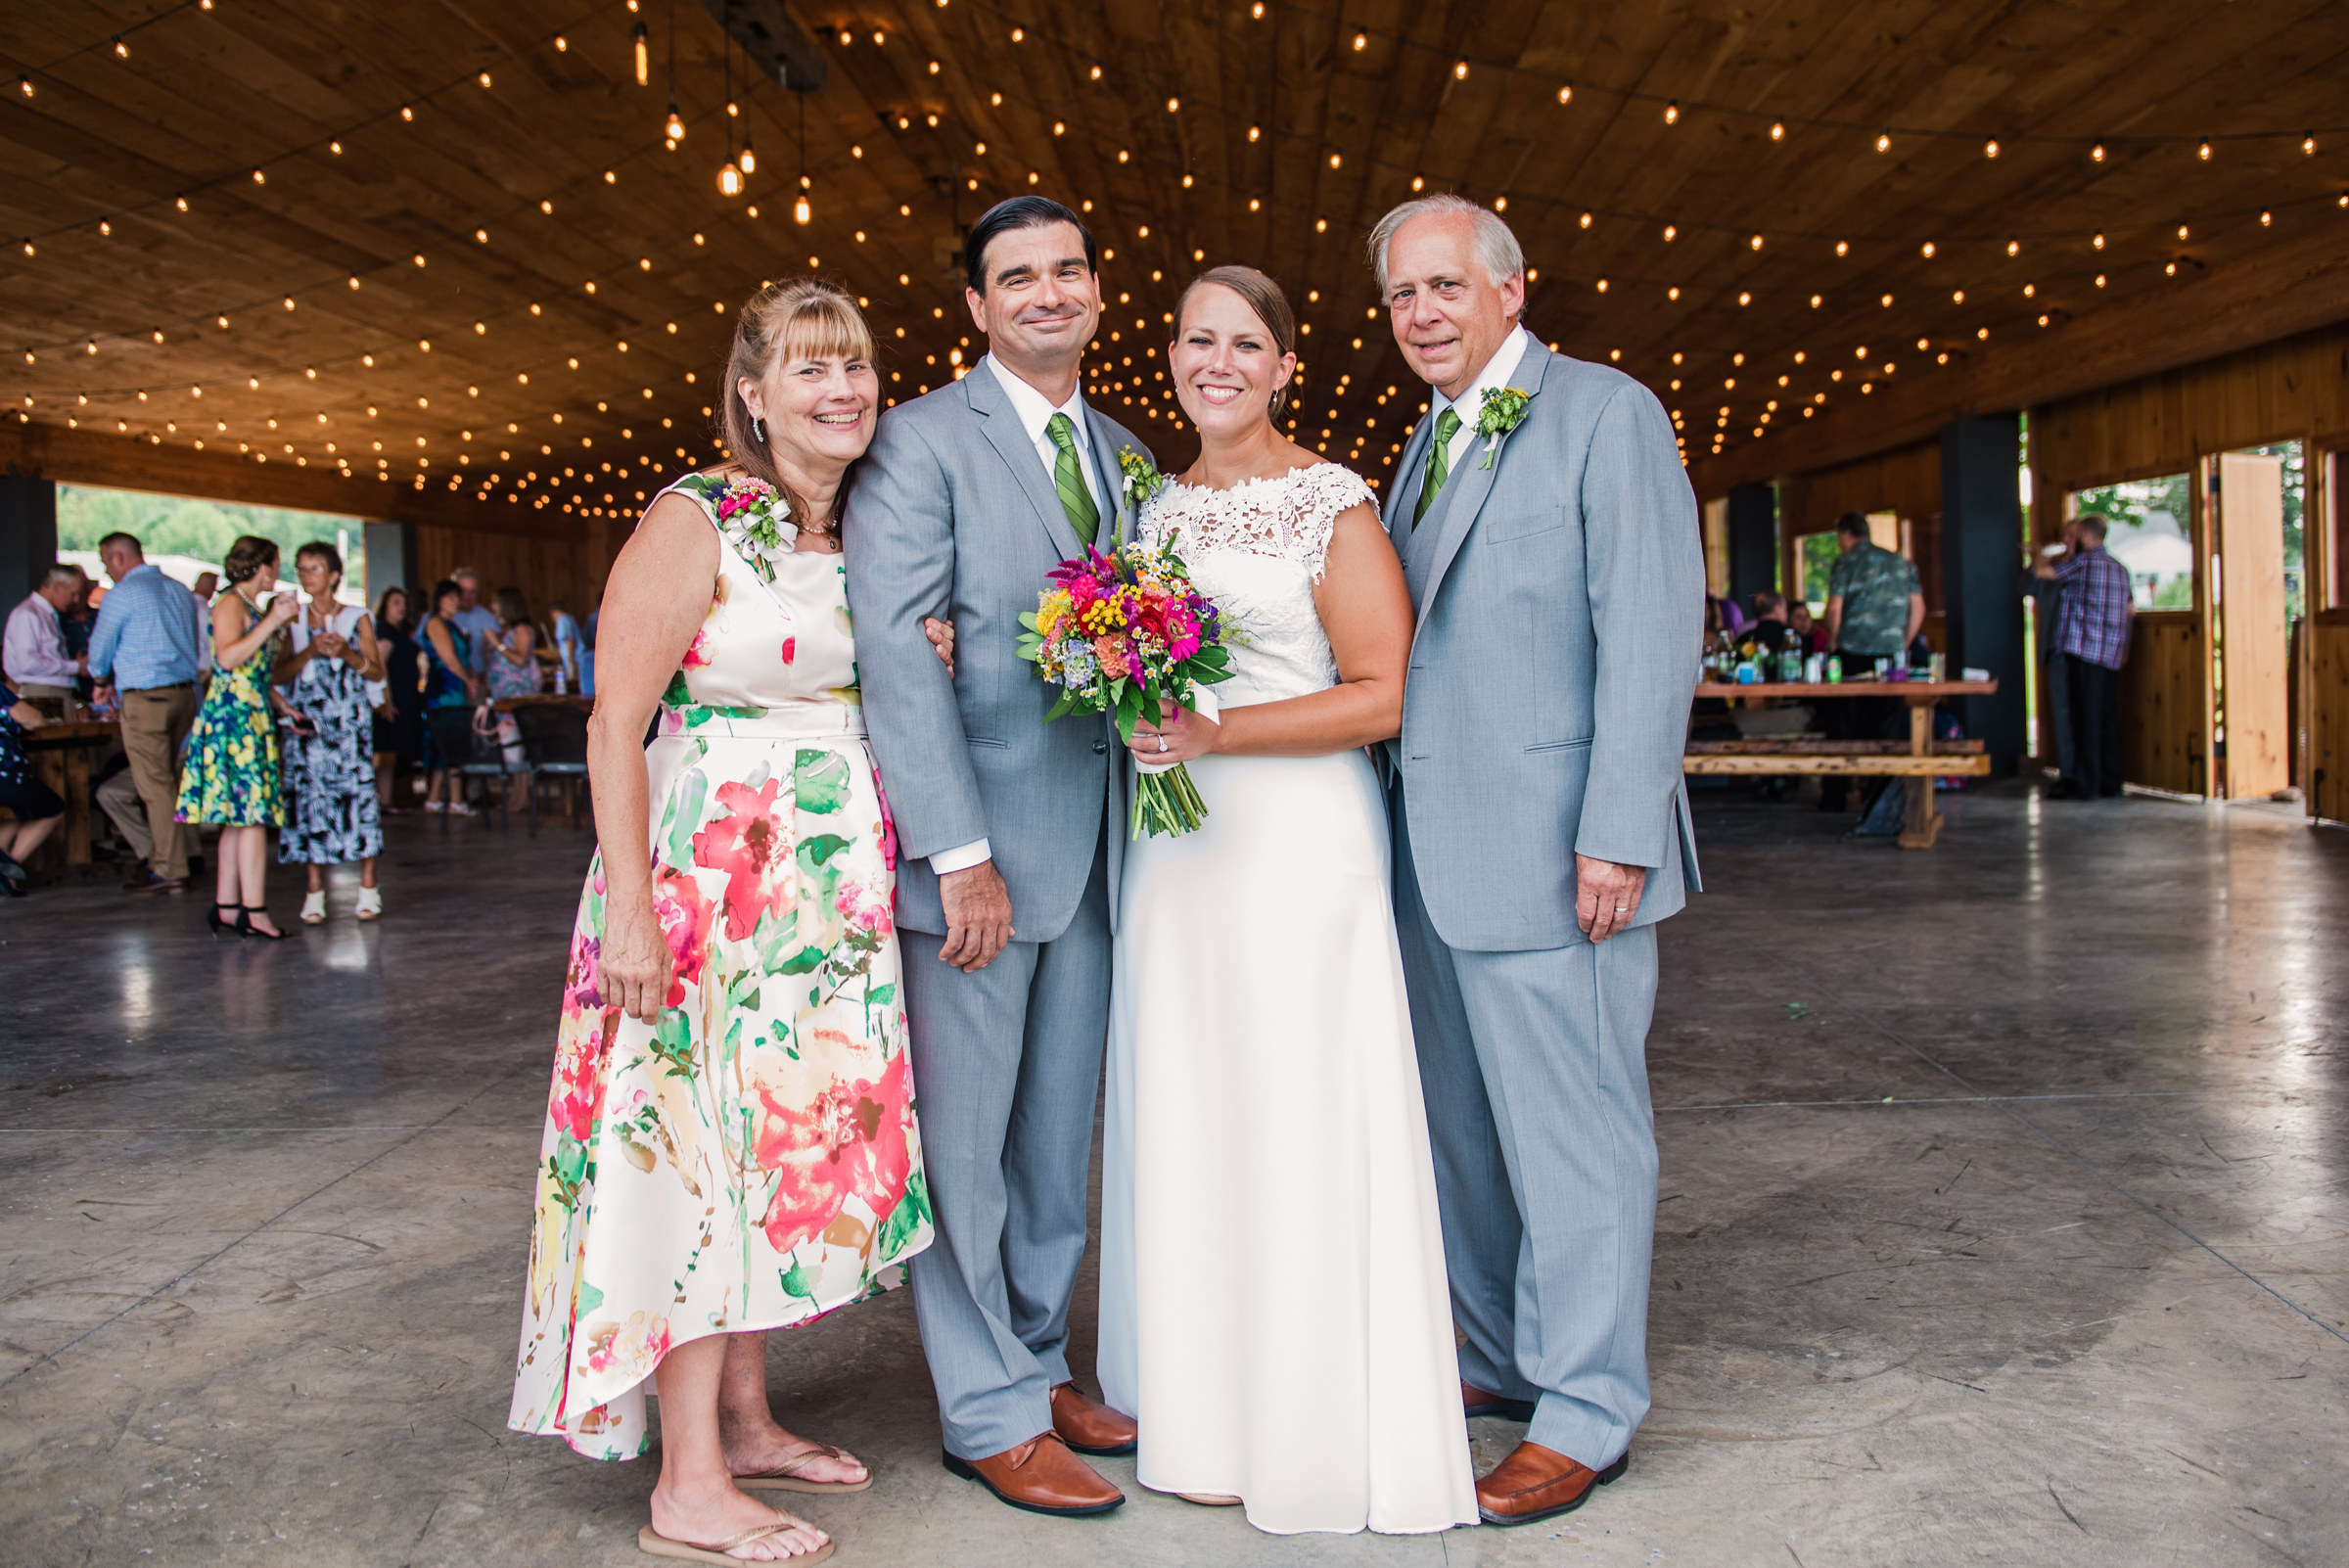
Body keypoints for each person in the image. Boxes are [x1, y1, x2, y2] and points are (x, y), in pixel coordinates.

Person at [508, 278, 930, 1566]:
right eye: (807, 369)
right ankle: (685, 1480)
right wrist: (630, 910)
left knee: (774, 1154)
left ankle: (743, 1416)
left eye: (853, 364)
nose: (840, 388)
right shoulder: (701, 518)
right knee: (689, 1156)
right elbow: (612, 723)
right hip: (700, 896)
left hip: (822, 907)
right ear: (752, 393)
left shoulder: (865, 525)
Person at [1085, 266, 1475, 1535]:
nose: (1218, 360)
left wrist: (1216, 727)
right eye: (1198, 338)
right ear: (1175, 357)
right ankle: (1201, 1410)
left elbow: (1386, 691)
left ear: (1283, 363)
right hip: (1177, 855)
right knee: (1193, 1105)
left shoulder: (1331, 502)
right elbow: (1138, 674)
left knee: (1299, 1107)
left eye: (1245, 341)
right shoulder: (1152, 507)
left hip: (1300, 846)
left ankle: (1310, 1419)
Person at [1375, 194, 1703, 1528]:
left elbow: (1653, 630)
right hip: (1435, 858)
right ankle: (1505, 1357)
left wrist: (1618, 831)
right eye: (1402, 296)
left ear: (1512, 290)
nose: (1422, 316)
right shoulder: (1430, 436)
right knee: (1470, 1138)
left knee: (1578, 1142)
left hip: (1566, 856)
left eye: (1446, 287)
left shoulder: (1604, 412)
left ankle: (1587, 1406)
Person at [845, 195, 1145, 1519]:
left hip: (1102, 854)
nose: (1045, 294)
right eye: (1015, 277)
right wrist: (956, 853)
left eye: (1066, 271)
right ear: (975, 306)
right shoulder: (917, 445)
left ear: (1094, 292)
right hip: (979, 864)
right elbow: (901, 659)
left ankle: (1038, 1359)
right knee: (965, 1146)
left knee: (1052, 1134)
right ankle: (983, 1411)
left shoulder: (1129, 453)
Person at [176, 535, 300, 939]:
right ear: (263, 567)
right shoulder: (231, 603)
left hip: (252, 714)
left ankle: (228, 906)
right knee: (251, 817)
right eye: (276, 564)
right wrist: (274, 621)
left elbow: (253, 672)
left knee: (237, 818)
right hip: (234, 720)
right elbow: (227, 659)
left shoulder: (248, 606)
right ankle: (254, 910)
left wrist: (281, 704)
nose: (278, 573)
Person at [86, 531, 206, 894]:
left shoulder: (122, 595)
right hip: (185, 695)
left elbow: (99, 652)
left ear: (119, 557)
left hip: (146, 698)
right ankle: (189, 854)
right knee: (174, 777)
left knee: (154, 786)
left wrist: (100, 677)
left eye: (107, 562)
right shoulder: (179, 590)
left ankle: (169, 868)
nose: (108, 570)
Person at [274, 542, 385, 922]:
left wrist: (346, 654)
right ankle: (314, 890)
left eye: (315, 568)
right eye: (301, 569)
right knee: (310, 801)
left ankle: (368, 885)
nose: (306, 576)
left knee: (358, 796)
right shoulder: (293, 618)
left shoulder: (357, 617)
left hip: (349, 720)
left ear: (335, 575)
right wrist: (309, 653)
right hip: (309, 721)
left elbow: (376, 672)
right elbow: (276, 675)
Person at [1819, 512, 1923, 811]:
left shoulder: (1846, 562)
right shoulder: (1900, 563)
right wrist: (1902, 643)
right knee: (1886, 728)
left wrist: (1834, 640)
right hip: (1890, 657)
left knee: (1841, 726)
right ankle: (1880, 801)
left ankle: (1834, 797)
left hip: (1851, 652)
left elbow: (1835, 607)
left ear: (1846, 533)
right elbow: (1919, 607)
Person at [2036, 513, 2132, 799]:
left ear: (2086, 537)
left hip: (2085, 652)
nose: (2071, 541)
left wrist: (2037, 553)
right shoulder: (2120, 568)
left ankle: (2085, 785)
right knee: (2105, 718)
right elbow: (2129, 611)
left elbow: (2043, 574)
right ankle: (2111, 782)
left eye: (2075, 536)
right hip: (2112, 654)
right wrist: (2125, 648)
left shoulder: (2084, 563)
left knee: (2084, 719)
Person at [417, 579, 482, 815]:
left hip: (454, 689)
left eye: (458, 597)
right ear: (440, 600)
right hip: (445, 690)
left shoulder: (452, 624)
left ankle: (437, 797)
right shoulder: (435, 622)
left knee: (446, 740)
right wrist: (470, 680)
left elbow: (463, 658)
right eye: (451, 598)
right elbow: (450, 659)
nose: (457, 602)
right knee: (450, 740)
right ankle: (453, 799)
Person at [0, 681, 63, 895]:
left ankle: (5, 868)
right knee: (53, 809)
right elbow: (34, 719)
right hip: (6, 776)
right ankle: (9, 869)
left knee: (22, 819)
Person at [372, 586, 426, 811]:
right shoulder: (384, 631)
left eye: (404, 603)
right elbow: (380, 664)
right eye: (395, 602)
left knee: (392, 752)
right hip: (393, 697)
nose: (401, 607)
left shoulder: (400, 632)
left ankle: (386, 799)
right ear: (384, 605)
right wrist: (386, 699)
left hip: (406, 695)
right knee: (384, 750)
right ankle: (376, 799)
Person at [4, 563, 87, 704]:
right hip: (42, 693)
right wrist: (75, 666)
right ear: (57, 587)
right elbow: (27, 663)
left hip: (54, 692)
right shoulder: (27, 614)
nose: (76, 600)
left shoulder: (48, 614)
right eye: (73, 594)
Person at [449, 568, 503, 673]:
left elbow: (497, 651)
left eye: (473, 591)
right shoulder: (445, 616)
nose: (468, 596)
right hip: (451, 677)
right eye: (464, 591)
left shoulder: (487, 616)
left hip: (481, 677)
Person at [1742, 590, 1798, 655]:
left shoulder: (1743, 641)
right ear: (1778, 609)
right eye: (1785, 609)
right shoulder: (1793, 639)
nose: (1786, 614)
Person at [548, 598, 583, 691]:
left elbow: (570, 640)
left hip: (573, 660)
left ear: (551, 613)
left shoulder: (562, 620)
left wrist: (570, 662)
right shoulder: (568, 618)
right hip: (577, 658)